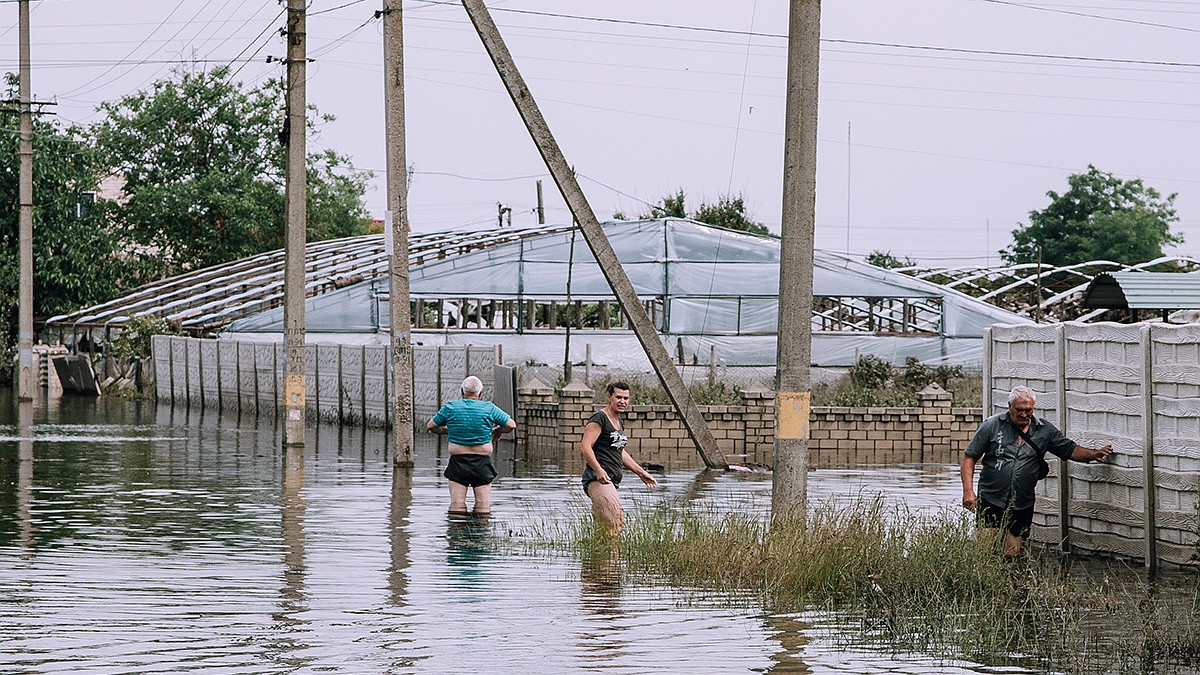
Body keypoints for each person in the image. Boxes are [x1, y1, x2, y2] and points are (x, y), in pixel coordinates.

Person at [960, 385, 1113, 557]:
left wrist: (1092, 454)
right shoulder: (992, 426)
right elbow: (969, 458)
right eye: (1019, 410)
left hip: (1021, 502)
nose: (1024, 414)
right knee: (984, 552)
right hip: (991, 497)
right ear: (1009, 406)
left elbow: (1069, 449)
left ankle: (1012, 582)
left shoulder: (1044, 430)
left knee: (1012, 555)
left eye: (1028, 410)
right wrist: (968, 491)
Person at [427, 375, 516, 514]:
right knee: (482, 506)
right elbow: (511, 425)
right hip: (482, 463)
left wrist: (446, 430)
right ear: (481, 393)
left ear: (461, 391)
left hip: (458, 462)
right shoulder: (489, 408)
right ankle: (479, 535)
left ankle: (457, 533)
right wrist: (498, 430)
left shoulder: (450, 407)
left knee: (457, 505)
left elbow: (431, 426)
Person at [580, 381, 658, 536]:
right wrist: (598, 469)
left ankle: (601, 560)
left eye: (626, 398)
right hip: (598, 479)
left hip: (612, 480)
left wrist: (641, 472)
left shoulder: (618, 421)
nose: (623, 401)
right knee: (613, 525)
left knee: (610, 527)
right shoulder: (599, 418)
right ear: (609, 397)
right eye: (619, 397)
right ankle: (612, 559)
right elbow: (585, 446)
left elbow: (620, 451)